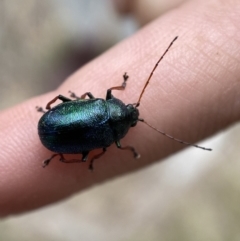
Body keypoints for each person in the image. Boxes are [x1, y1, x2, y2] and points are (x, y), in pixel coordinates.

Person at [0, 0, 239, 216]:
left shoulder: (104, 106)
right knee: (86, 154)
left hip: (54, 126)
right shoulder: (112, 139)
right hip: (55, 136)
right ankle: (55, 152)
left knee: (70, 98)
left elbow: (85, 98)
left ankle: (49, 120)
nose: (133, 112)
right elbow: (100, 137)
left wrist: (74, 103)